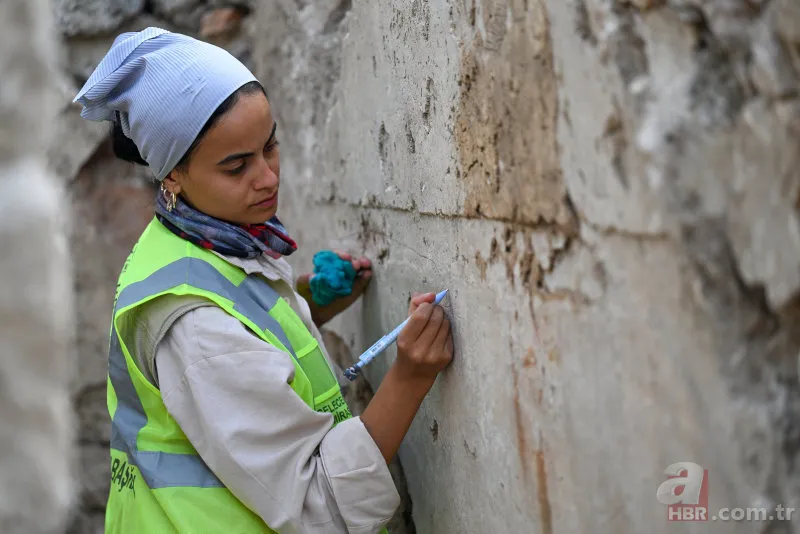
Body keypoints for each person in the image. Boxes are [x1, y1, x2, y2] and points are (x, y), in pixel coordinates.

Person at [74, 27, 454, 534]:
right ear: (172, 176)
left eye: (270, 147)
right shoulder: (195, 326)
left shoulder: (198, 240)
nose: (268, 177)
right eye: (237, 166)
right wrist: (409, 377)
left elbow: (242, 334)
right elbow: (318, 503)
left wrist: (308, 303)